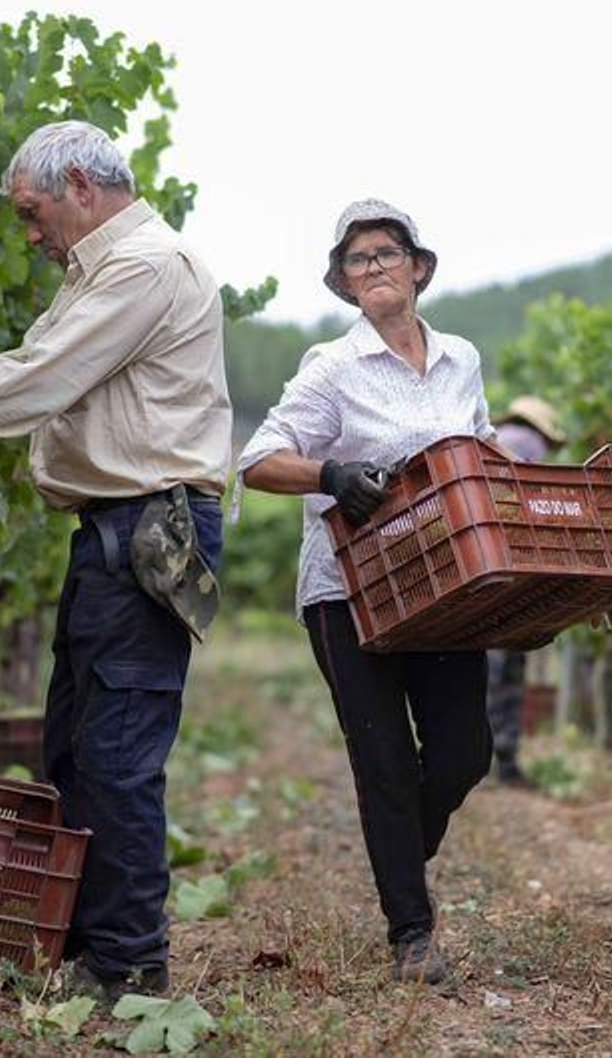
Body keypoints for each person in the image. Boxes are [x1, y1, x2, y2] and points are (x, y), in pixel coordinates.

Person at [0, 120, 229, 1001]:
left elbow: (36, 385)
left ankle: (129, 964)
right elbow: (25, 361)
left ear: (79, 183)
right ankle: (86, 944)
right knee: (73, 748)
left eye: (32, 213)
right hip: (114, 529)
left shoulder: (146, 265)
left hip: (148, 529)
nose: (29, 235)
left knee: (117, 753)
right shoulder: (99, 272)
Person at [238, 199, 495, 985]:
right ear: (345, 283)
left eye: (387, 252)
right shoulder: (332, 367)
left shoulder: (461, 359)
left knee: (464, 752)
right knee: (383, 760)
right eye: (358, 259)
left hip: (446, 585)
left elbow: (480, 451)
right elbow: (258, 460)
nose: (375, 266)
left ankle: (401, 851)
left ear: (418, 267)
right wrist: (332, 474)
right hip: (350, 593)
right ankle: (411, 934)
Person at [482, 397, 566, 786]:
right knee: (506, 672)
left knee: (486, 671)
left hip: (483, 570)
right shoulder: (526, 444)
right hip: (513, 574)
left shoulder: (496, 438)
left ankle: (483, 759)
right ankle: (504, 760)